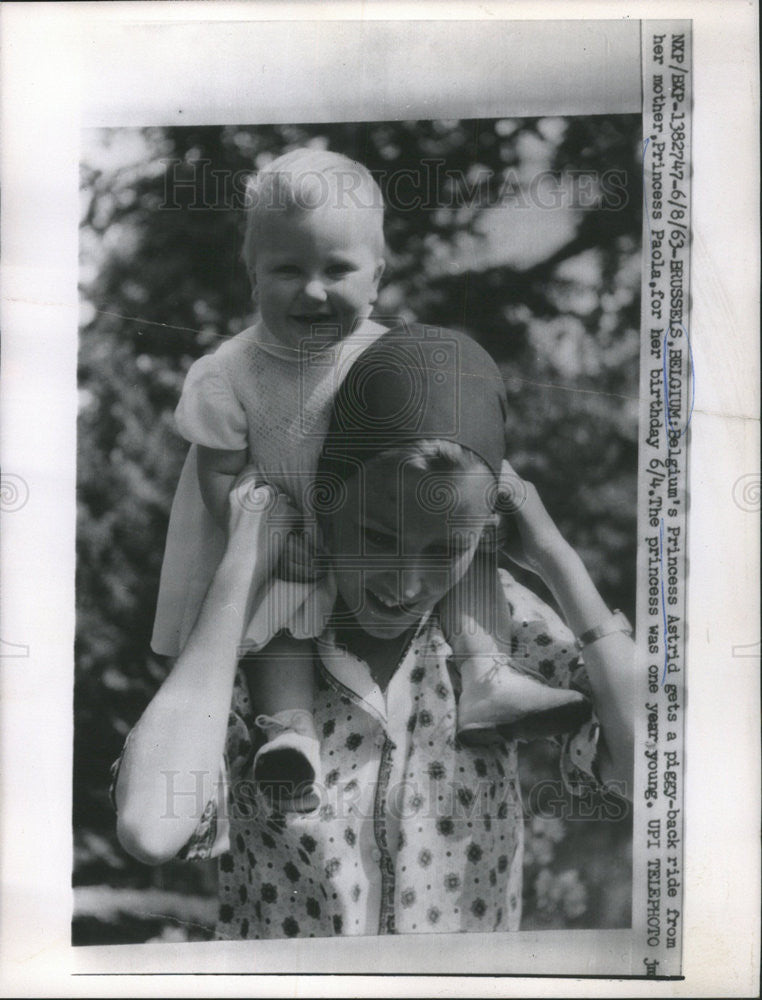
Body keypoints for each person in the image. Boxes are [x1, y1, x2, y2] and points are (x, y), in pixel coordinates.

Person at [113, 327, 634, 939]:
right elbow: (150, 825)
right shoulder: (259, 643)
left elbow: (652, 776)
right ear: (326, 503)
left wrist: (557, 559)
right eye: (378, 537)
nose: (407, 583)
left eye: (447, 550)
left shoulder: (501, 629)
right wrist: (245, 560)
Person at [150, 146, 588, 808]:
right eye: (287, 269)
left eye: (337, 269)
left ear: (377, 277)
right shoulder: (230, 370)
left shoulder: (387, 354)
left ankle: (487, 676)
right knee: (282, 624)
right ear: (253, 275)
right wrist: (266, 536)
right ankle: (289, 733)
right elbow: (214, 470)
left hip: (385, 523)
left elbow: (451, 442)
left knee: (459, 548)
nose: (314, 289)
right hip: (288, 526)